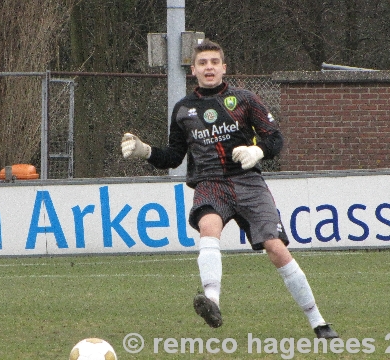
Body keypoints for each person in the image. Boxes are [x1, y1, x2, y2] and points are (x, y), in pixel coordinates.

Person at [120, 39, 338, 338]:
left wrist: (257, 151)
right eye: (202, 63)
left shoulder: (245, 99)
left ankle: (318, 322)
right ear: (193, 70)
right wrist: (145, 151)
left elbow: (274, 138)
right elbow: (173, 157)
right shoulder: (184, 109)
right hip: (210, 183)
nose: (208, 67)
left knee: (276, 248)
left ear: (223, 67)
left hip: (248, 182)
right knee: (209, 226)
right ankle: (212, 302)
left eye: (213, 62)